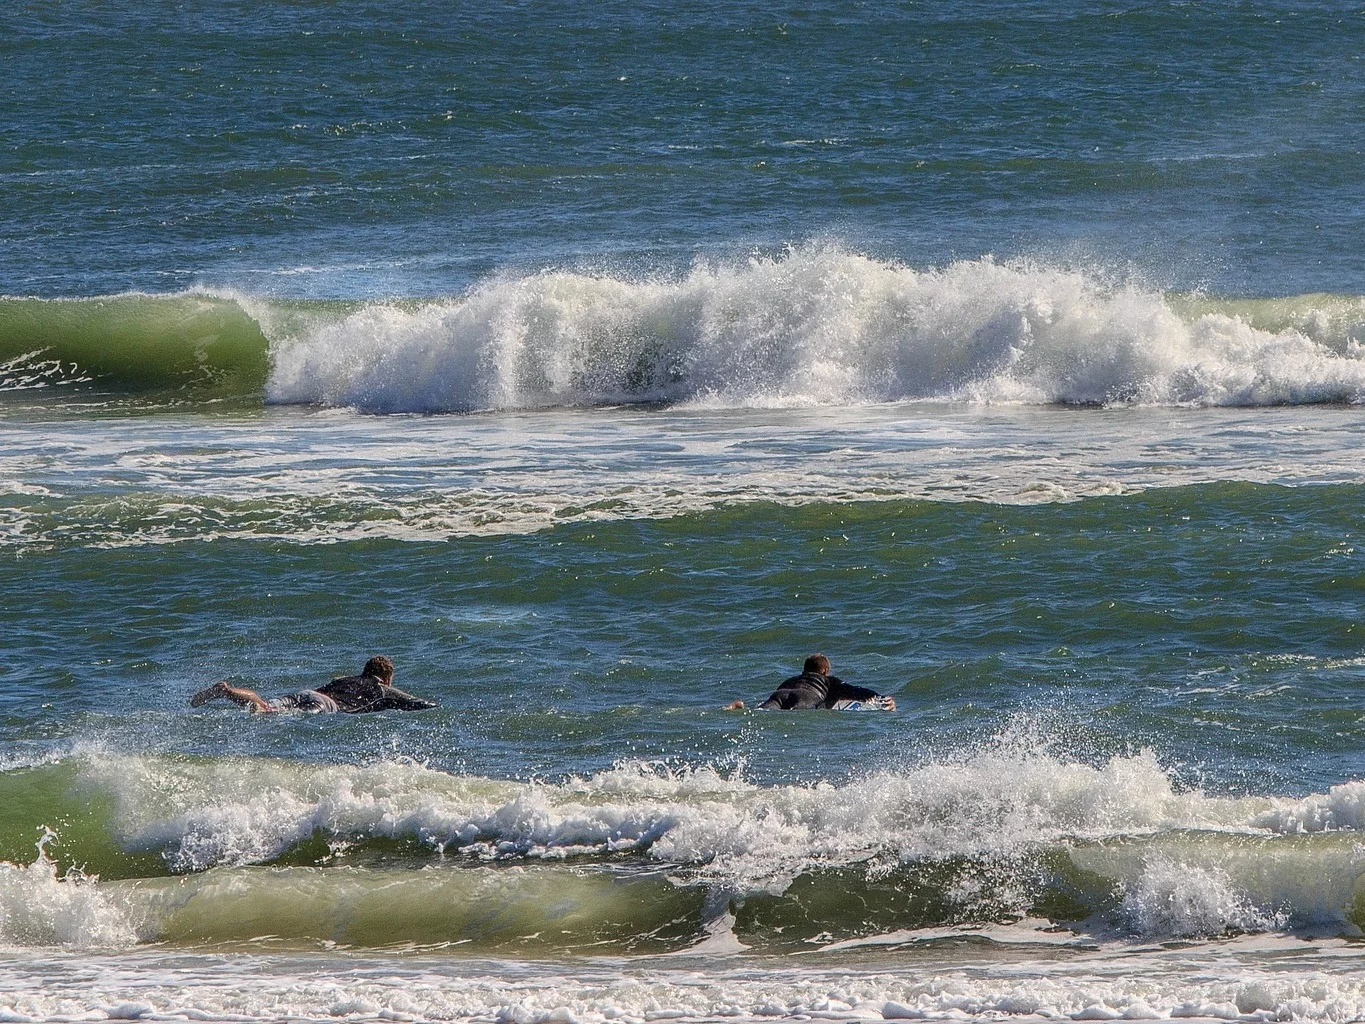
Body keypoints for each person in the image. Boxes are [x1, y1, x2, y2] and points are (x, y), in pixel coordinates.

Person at [190, 655, 438, 714]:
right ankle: (262, 710)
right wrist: (435, 707)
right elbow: (415, 702)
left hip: (308, 693)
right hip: (325, 705)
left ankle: (227, 690)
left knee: (265, 705)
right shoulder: (382, 688)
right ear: (387, 677)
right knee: (281, 716)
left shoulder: (345, 679)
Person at [727, 654, 895, 711]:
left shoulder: (791, 680)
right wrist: (882, 699)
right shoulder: (829, 682)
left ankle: (741, 708)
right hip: (807, 697)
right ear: (825, 671)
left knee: (763, 712)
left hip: (779, 694)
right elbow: (857, 691)